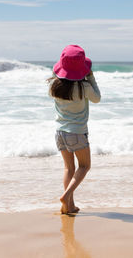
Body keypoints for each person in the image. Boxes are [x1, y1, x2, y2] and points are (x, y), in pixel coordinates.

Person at [48, 45, 101, 214]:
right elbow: (97, 98)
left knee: (68, 168)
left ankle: (69, 206)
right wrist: (91, 77)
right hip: (77, 133)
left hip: (60, 133)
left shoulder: (54, 86)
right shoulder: (83, 87)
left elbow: (58, 77)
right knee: (85, 166)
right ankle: (66, 196)